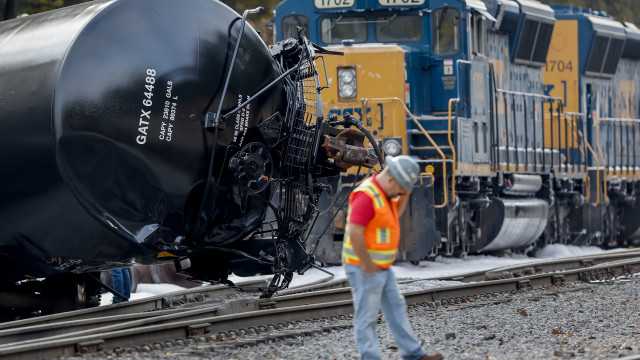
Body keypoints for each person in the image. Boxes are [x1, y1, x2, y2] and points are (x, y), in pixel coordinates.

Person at [342, 155, 443, 360]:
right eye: (400, 188)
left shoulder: (384, 193)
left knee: (396, 309)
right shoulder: (366, 196)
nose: (400, 193)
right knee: (367, 317)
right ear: (390, 180)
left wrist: (405, 193)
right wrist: (368, 264)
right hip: (364, 267)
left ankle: (413, 354)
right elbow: (355, 232)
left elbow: (394, 215)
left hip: (381, 267)